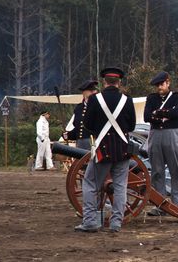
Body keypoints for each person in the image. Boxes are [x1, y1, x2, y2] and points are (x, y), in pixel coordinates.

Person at [75, 67, 136, 233]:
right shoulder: (127, 100)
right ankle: (116, 223)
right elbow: (131, 126)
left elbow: (87, 124)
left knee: (90, 183)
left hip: (103, 149)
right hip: (123, 149)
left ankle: (90, 222)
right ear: (119, 82)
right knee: (120, 186)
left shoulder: (95, 100)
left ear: (104, 82)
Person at [144, 71, 178, 216]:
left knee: (176, 170)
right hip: (155, 135)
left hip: (172, 134)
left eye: (162, 84)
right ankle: (160, 205)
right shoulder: (152, 98)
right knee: (157, 171)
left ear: (168, 82)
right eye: (157, 85)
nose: (159, 87)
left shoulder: (177, 97)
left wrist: (158, 113)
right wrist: (166, 113)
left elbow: (177, 114)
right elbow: (146, 116)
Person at [62, 80, 99, 150]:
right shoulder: (79, 108)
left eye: (94, 90)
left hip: (94, 142)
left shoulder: (98, 106)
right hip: (81, 143)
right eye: (91, 91)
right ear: (84, 92)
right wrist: (68, 135)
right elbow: (78, 127)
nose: (94, 92)